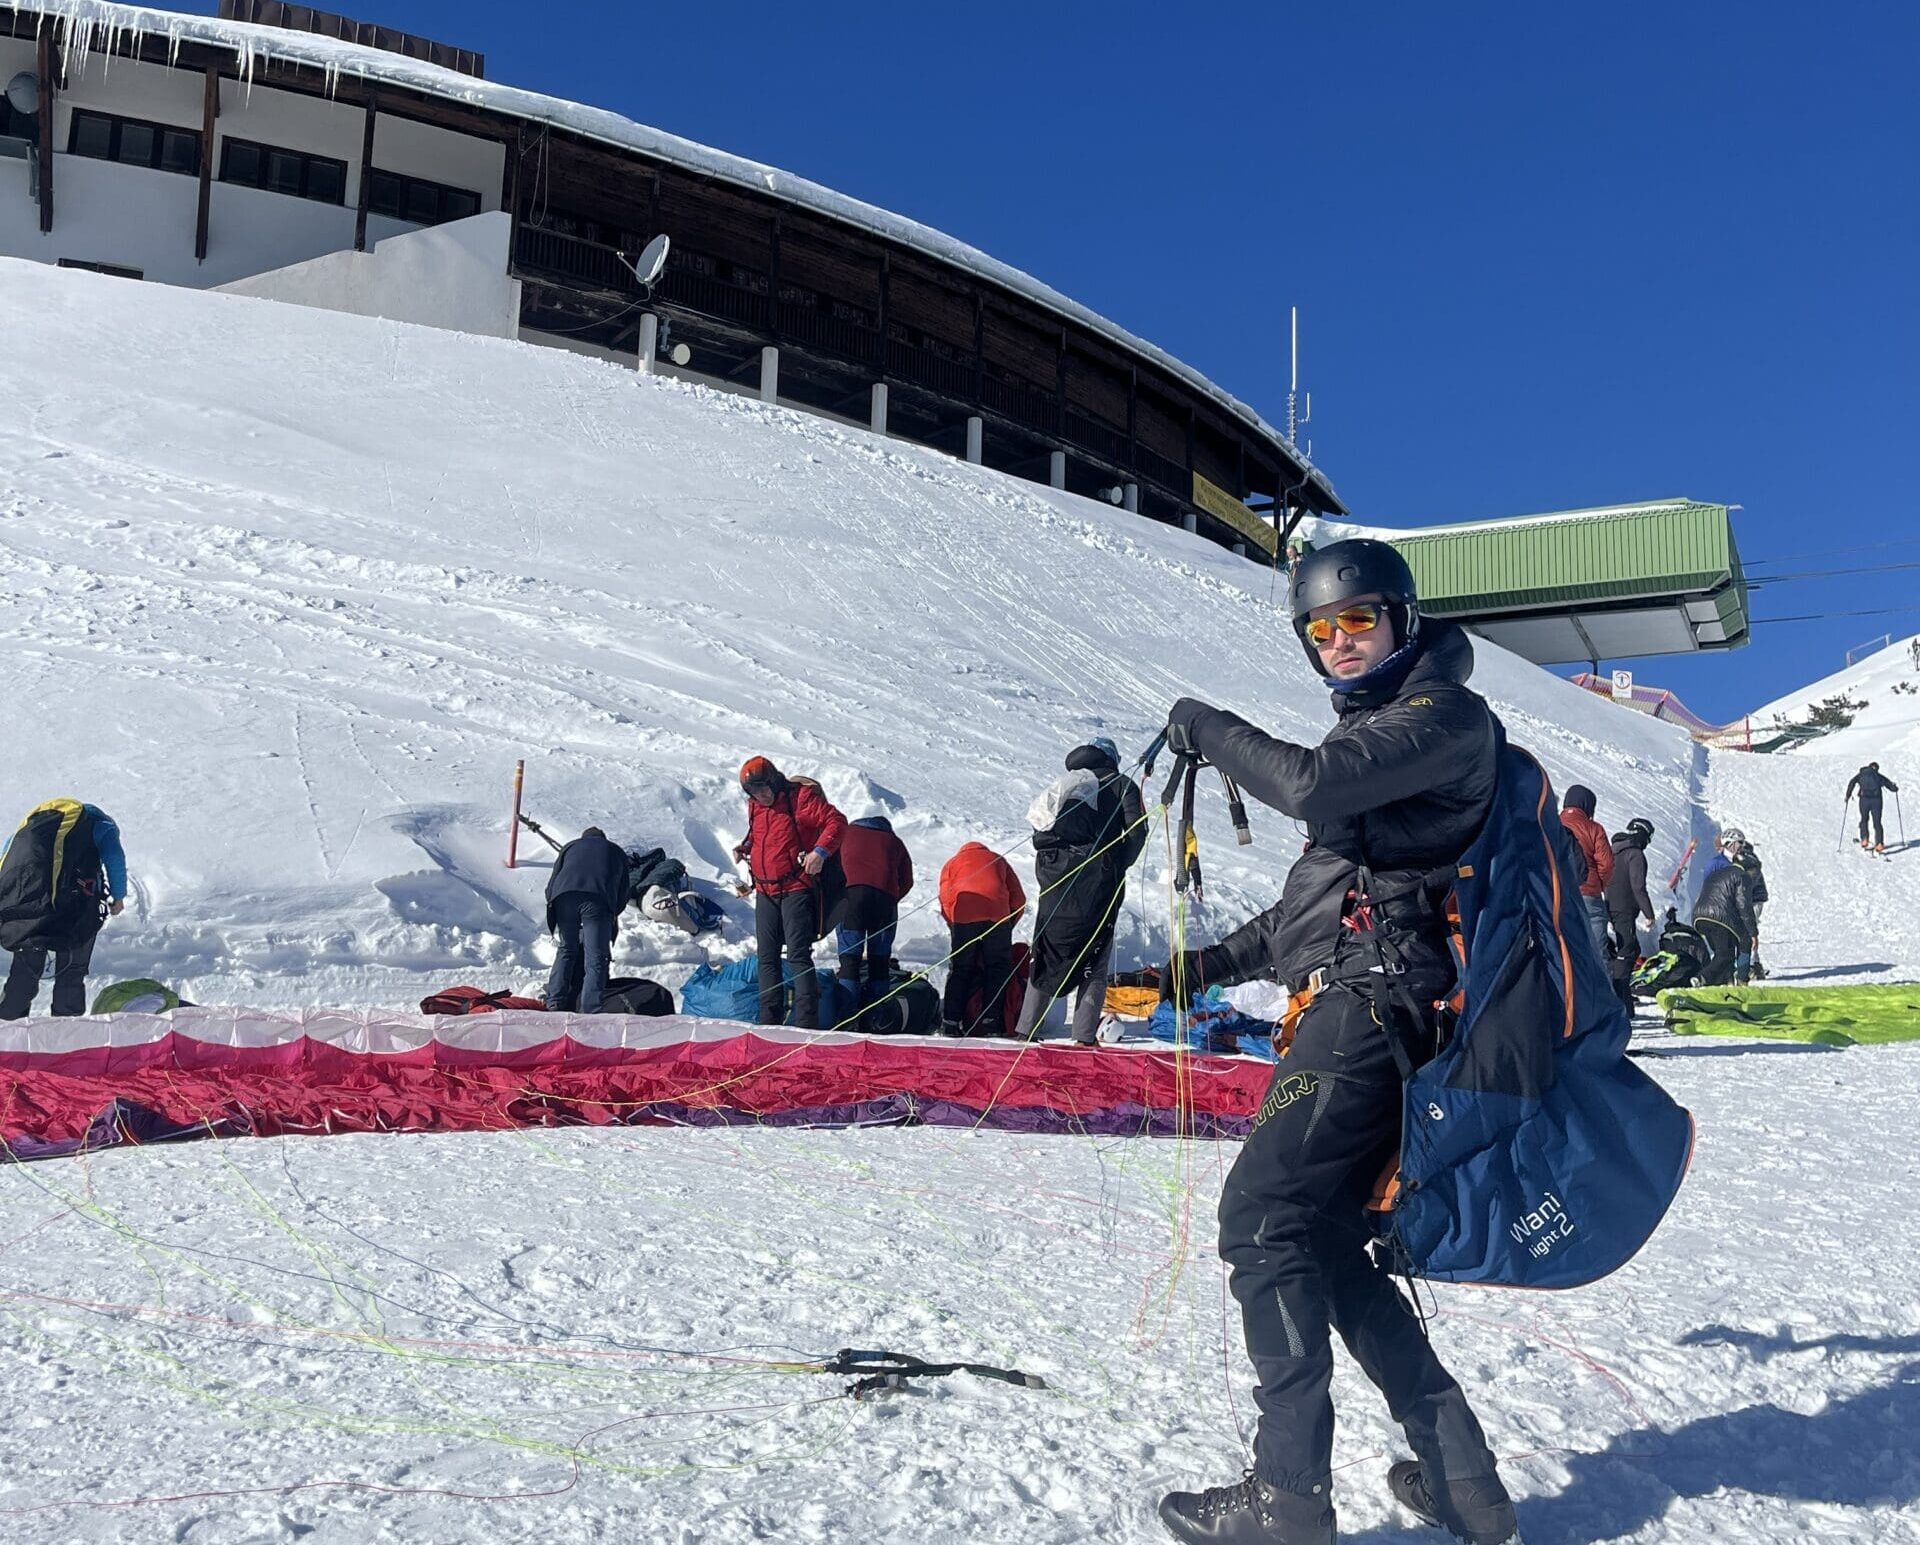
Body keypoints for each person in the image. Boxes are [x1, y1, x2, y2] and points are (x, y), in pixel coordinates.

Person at [1154, 539, 1518, 1545]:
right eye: (1321, 628)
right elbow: (1315, 915)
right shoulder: (1382, 744)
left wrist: (1203, 726)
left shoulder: (1445, 719)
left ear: (1402, 618)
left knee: (1260, 1218)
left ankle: (1288, 1504)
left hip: (1373, 1013)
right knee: (1322, 1241)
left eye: (1358, 619)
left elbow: (1307, 785)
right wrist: (1203, 968)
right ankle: (1469, 1489)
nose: (1340, 641)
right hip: (1359, 1002)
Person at [1015, 736, 1146, 1047]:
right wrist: (1116, 866)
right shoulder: (1122, 784)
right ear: (1111, 758)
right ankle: (1084, 1036)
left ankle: (1025, 1029)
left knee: (1046, 952)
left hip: (1056, 885)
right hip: (1098, 886)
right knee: (1095, 958)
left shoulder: (1066, 785)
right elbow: (1138, 831)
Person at [733, 756, 847, 1029]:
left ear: (773, 781)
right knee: (767, 956)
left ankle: (806, 1024)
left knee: (797, 955)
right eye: (753, 791)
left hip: (796, 888)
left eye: (763, 788)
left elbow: (837, 822)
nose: (760, 795)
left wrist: (820, 852)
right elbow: (760, 836)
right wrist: (745, 847)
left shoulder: (800, 799)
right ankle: (768, 1023)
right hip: (765, 890)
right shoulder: (756, 806)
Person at [0, 799, 128, 1020]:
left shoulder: (34, 824)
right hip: (75, 909)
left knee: (26, 970)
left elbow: (7, 859)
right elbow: (114, 858)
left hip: (30, 906)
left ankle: (7, 1028)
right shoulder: (101, 824)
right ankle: (67, 1031)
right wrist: (118, 896)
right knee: (71, 969)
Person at [938, 841, 1026, 1037]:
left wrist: (954, 924)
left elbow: (945, 898)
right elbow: (1019, 900)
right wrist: (1008, 925)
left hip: (963, 917)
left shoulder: (952, 863)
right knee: (997, 968)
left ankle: (950, 1022)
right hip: (998, 918)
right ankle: (990, 1022)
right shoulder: (998, 859)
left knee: (960, 968)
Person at [834, 813, 914, 1029]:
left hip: (851, 900)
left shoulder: (846, 834)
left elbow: (830, 872)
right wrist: (891, 897)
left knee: (850, 961)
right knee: (879, 963)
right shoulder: (895, 842)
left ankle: (847, 1019)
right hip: (885, 902)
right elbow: (907, 880)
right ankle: (876, 1019)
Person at [542, 825, 631, 1013]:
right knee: (596, 957)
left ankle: (554, 1002)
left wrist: (554, 903)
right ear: (603, 839)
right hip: (596, 901)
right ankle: (591, 1009)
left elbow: (552, 884)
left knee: (566, 948)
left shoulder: (570, 847)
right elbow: (624, 891)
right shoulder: (615, 851)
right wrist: (612, 912)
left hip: (563, 898)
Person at [1691, 832, 1757, 987]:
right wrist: (1753, 932)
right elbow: (1744, 906)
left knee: (1722, 953)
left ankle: (1721, 981)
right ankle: (1707, 979)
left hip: (1699, 916)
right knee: (1736, 946)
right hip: (1718, 916)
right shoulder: (1742, 876)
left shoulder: (1720, 872)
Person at [1604, 818, 1657, 1010]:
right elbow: (1638, 886)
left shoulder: (1613, 851)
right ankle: (1620, 1000)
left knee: (1628, 949)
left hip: (1611, 906)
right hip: (1624, 909)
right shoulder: (1635, 854)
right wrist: (1649, 913)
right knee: (1627, 952)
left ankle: (1623, 998)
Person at [1558, 785, 1612, 960]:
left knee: (1562, 948)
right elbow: (1607, 864)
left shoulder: (1551, 823)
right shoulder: (1594, 828)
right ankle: (1600, 985)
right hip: (1588, 893)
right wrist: (1599, 886)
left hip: (1557, 894)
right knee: (1597, 950)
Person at [1731, 843, 1768, 980]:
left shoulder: (1748, 863)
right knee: (1747, 932)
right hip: (1755, 900)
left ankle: (1751, 965)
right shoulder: (1750, 863)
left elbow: (1747, 885)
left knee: (1747, 932)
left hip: (1753, 901)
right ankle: (1753, 964)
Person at [1845, 762, 1899, 852]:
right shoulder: (1878, 775)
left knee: (1864, 819)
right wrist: (1895, 788)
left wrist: (1848, 795)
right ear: (1876, 768)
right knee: (1877, 822)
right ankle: (1879, 843)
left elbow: (1852, 783)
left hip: (1864, 800)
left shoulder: (1861, 774)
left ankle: (1864, 839)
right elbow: (1889, 785)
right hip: (1877, 801)